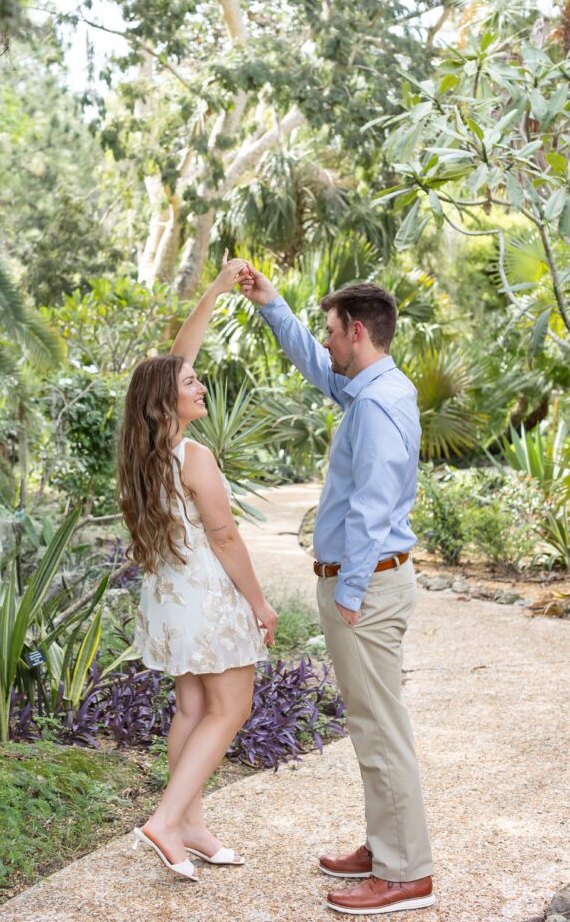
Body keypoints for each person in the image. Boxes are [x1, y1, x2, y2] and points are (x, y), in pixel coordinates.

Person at [240, 269, 435, 916]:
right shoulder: (371, 387)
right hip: (371, 584)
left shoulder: (376, 404)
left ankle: (405, 873)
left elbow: (373, 507)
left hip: (367, 589)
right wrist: (273, 308)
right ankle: (386, 850)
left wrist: (348, 591)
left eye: (329, 332)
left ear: (356, 332)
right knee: (372, 723)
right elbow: (317, 369)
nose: (324, 344)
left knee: (380, 730)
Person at [118, 252, 278, 883]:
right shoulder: (195, 456)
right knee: (230, 709)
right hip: (206, 599)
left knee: (191, 709)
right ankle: (164, 820)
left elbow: (173, 362)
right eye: (192, 385)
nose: (201, 385)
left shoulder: (146, 451)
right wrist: (261, 604)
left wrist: (214, 288)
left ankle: (192, 827)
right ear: (170, 402)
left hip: (168, 599)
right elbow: (227, 537)